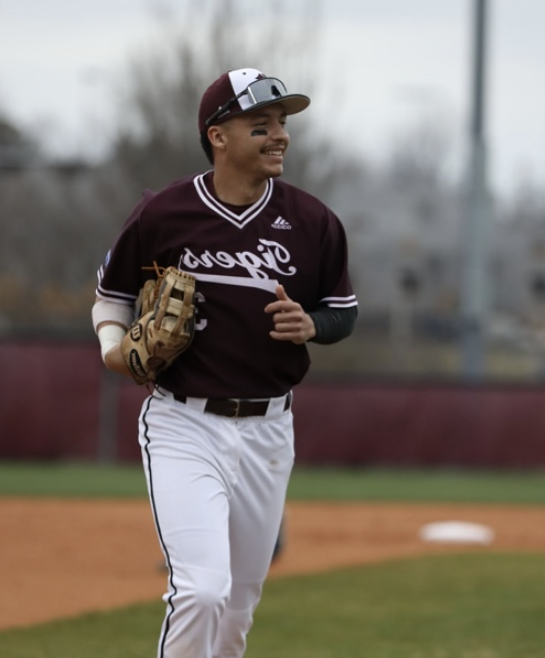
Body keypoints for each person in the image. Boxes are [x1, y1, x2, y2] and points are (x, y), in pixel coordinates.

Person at [91, 67, 357, 658]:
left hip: (268, 430)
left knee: (237, 611)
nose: (279, 136)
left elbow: (344, 311)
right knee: (202, 592)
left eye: (283, 124)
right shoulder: (163, 214)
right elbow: (112, 298)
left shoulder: (313, 222)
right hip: (185, 423)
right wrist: (114, 347)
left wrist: (314, 324)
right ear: (218, 135)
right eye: (261, 125)